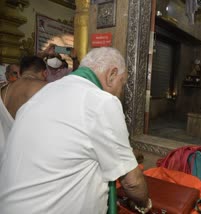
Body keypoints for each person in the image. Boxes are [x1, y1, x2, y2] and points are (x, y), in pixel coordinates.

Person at [0, 47, 151, 214]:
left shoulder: (45, 91)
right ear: (112, 75)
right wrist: (144, 204)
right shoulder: (101, 101)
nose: (120, 93)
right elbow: (132, 182)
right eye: (122, 84)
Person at [0, 56, 47, 159]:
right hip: (28, 155)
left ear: (21, 72)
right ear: (44, 73)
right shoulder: (44, 87)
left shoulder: (3, 90)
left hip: (5, 154)